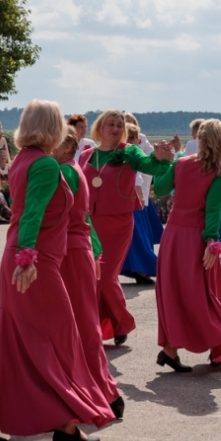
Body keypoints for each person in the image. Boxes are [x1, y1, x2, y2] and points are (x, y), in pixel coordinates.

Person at [0, 100, 113, 441]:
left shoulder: (23, 159)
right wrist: (28, 257)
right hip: (34, 263)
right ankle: (62, 424)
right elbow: (31, 214)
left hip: (24, 257)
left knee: (14, 340)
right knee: (54, 338)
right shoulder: (42, 163)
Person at [152, 119, 221, 372]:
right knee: (204, 293)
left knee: (175, 291)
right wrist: (212, 242)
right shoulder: (220, 172)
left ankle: (171, 349)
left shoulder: (181, 164)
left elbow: (159, 189)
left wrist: (163, 162)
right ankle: (217, 348)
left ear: (201, 139)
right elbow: (213, 210)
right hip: (196, 237)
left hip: (173, 235)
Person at [84, 109, 177, 344]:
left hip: (119, 224)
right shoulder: (86, 155)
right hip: (90, 224)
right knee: (96, 277)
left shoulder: (129, 152)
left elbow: (148, 165)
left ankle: (88, 329)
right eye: (110, 124)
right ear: (100, 128)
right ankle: (120, 323)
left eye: (119, 125)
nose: (115, 129)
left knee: (102, 277)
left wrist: (160, 158)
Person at [53, 128, 122, 419]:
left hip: (66, 251)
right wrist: (94, 250)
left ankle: (95, 391)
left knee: (75, 325)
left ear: (67, 145)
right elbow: (86, 218)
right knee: (85, 323)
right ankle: (105, 391)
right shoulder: (73, 169)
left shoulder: (65, 172)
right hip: (77, 249)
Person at [121, 115, 163, 283]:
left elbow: (143, 168)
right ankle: (140, 269)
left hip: (138, 198)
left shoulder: (139, 144)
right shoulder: (123, 148)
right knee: (135, 237)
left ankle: (143, 269)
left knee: (139, 237)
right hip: (132, 199)